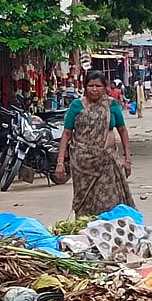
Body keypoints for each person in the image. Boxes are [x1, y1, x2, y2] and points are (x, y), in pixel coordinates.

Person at [54, 71, 135, 216]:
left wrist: (127, 159)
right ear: (85, 87)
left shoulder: (111, 105)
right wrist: (60, 162)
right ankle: (86, 228)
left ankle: (107, 228)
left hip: (107, 161)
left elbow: (122, 131)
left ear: (105, 87)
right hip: (82, 164)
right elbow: (66, 134)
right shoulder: (76, 106)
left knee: (109, 202)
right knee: (85, 203)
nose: (94, 89)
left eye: (98, 86)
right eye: (91, 86)